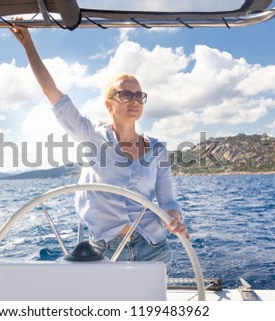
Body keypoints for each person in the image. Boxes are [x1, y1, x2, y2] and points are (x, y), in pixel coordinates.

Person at [10, 25, 189, 274]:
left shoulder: (157, 150)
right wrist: (29, 46)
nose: (135, 100)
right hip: (106, 250)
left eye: (139, 95)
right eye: (125, 94)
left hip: (153, 248)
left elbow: (168, 201)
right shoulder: (91, 135)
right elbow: (53, 94)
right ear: (108, 104)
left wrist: (174, 218)